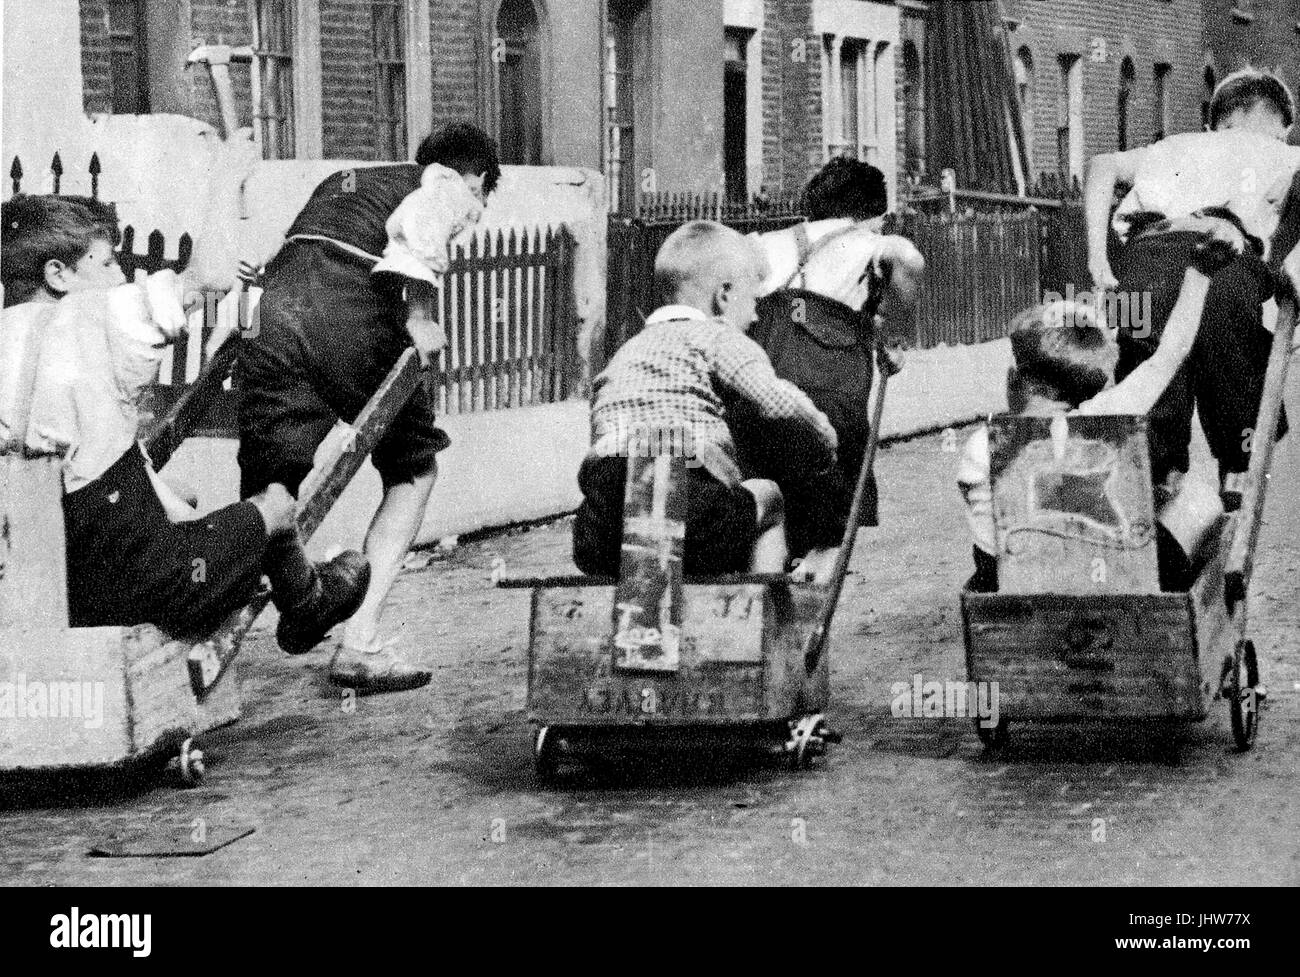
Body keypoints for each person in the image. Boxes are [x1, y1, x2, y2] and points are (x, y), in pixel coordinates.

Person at [0, 193, 369, 640]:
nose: (120, 276)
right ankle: (307, 602)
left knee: (178, 495)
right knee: (274, 503)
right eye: (106, 264)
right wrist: (228, 170)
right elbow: (209, 277)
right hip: (130, 587)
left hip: (45, 582)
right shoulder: (88, 317)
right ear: (57, 274)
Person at [236, 122, 500, 693]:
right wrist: (421, 315)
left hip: (274, 314)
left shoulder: (342, 181)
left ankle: (303, 598)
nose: (475, 210)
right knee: (413, 467)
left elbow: (280, 249)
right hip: (345, 312)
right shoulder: (442, 181)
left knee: (272, 485)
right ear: (474, 177)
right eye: (482, 197)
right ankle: (359, 643)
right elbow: (422, 228)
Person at [958, 215, 1259, 594]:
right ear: (1092, 388)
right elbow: (1173, 351)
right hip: (1118, 574)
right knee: (1197, 498)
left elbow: (984, 535)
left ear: (1013, 380)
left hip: (1014, 583)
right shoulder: (1109, 413)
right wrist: (1200, 271)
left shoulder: (979, 446)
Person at [572, 220, 839, 577]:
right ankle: (759, 605)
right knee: (768, 497)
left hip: (601, 525)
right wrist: (824, 436)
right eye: (754, 299)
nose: (757, 314)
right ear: (724, 294)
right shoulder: (716, 337)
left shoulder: (627, 353)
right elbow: (778, 402)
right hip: (691, 506)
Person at [1084, 68, 1300, 503]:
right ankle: (1237, 471)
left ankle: (1157, 480)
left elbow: (1101, 166)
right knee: (1236, 364)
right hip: (1225, 259)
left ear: (1214, 123)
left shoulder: (1173, 146)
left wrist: (1098, 259)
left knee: (1147, 379)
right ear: (1282, 126)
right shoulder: (1284, 154)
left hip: (1143, 263)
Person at [741, 160, 924, 581]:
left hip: (756, 397)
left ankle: (766, 612)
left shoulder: (760, 244)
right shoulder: (870, 243)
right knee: (829, 532)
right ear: (871, 216)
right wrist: (895, 337)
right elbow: (909, 259)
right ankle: (809, 617)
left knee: (770, 515)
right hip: (829, 403)